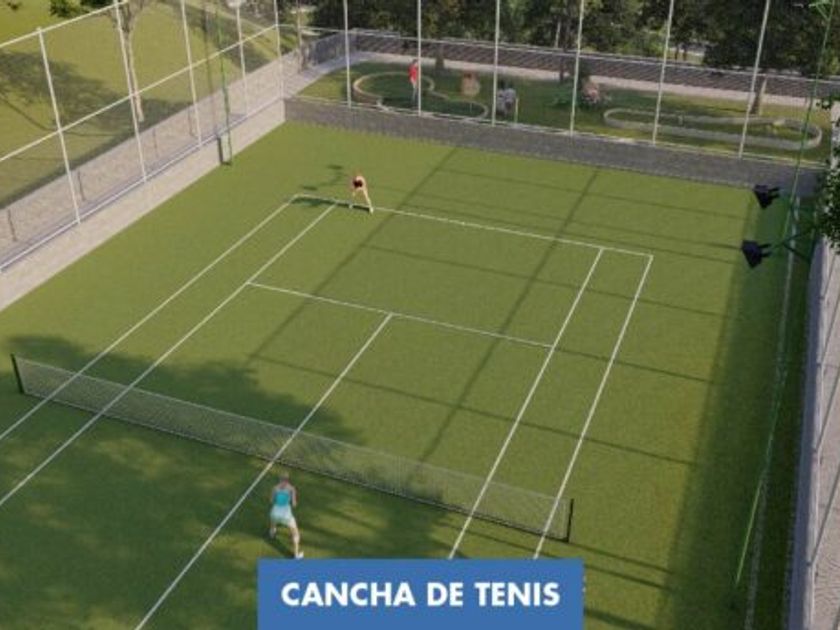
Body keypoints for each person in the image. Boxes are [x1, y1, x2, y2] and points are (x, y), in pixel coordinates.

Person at [269, 472, 304, 559]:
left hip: (274, 513)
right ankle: (296, 555)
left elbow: (271, 500)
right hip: (286, 516)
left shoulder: (275, 488)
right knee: (295, 533)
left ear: (279, 479)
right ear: (287, 480)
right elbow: (294, 504)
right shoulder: (291, 489)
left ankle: (272, 533)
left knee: (273, 522)